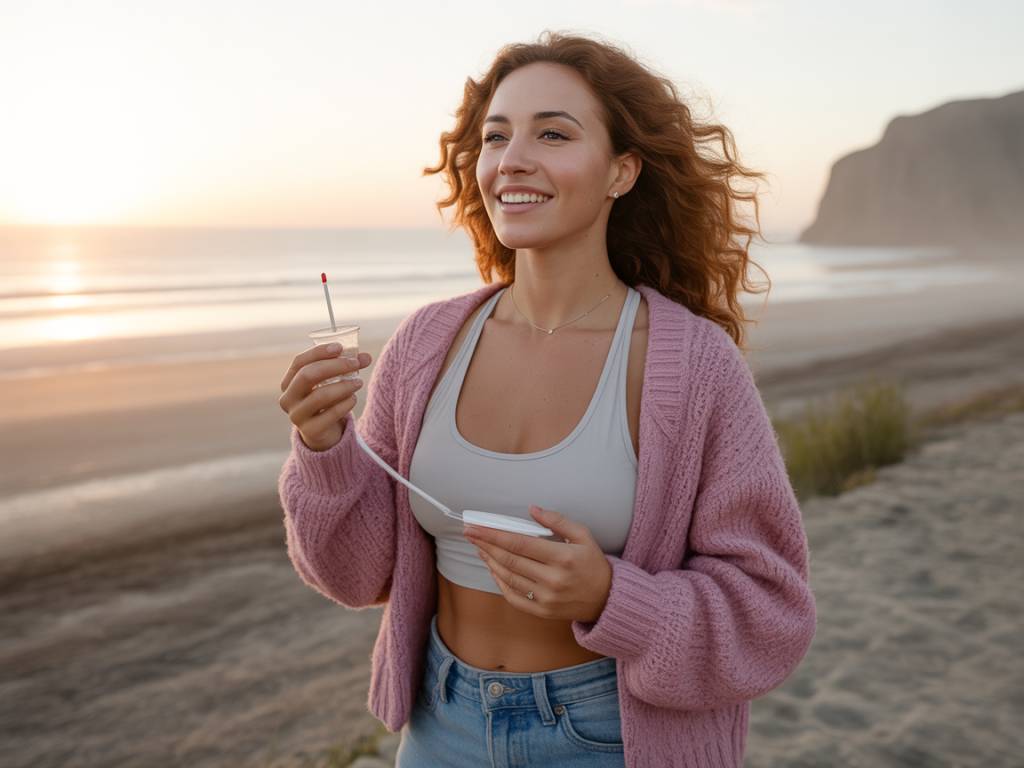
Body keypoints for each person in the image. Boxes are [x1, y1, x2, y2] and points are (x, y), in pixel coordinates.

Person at [277, 30, 816, 768]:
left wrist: (609, 597)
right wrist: (324, 453)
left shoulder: (694, 367)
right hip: (440, 728)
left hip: (611, 737)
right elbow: (356, 574)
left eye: (553, 134)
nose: (512, 160)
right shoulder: (428, 342)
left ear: (621, 171)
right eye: (496, 137)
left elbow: (770, 613)